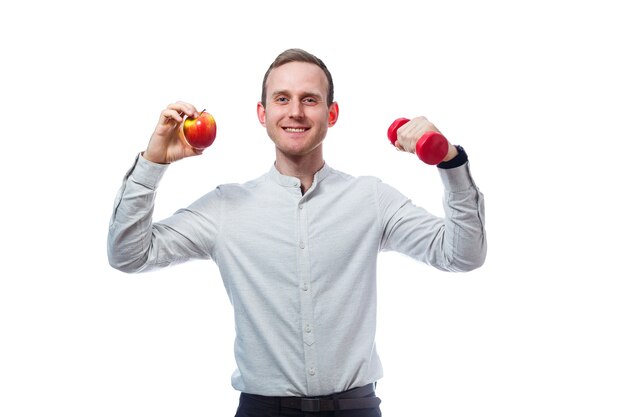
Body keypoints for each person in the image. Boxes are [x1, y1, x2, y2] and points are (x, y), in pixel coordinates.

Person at [108, 48, 487, 416]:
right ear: (262, 112)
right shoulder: (226, 207)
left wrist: (450, 161)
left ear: (331, 112)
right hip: (262, 410)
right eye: (282, 98)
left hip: (355, 408)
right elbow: (129, 254)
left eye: (309, 99)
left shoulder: (370, 199)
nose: (294, 112)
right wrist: (153, 161)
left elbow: (462, 255)